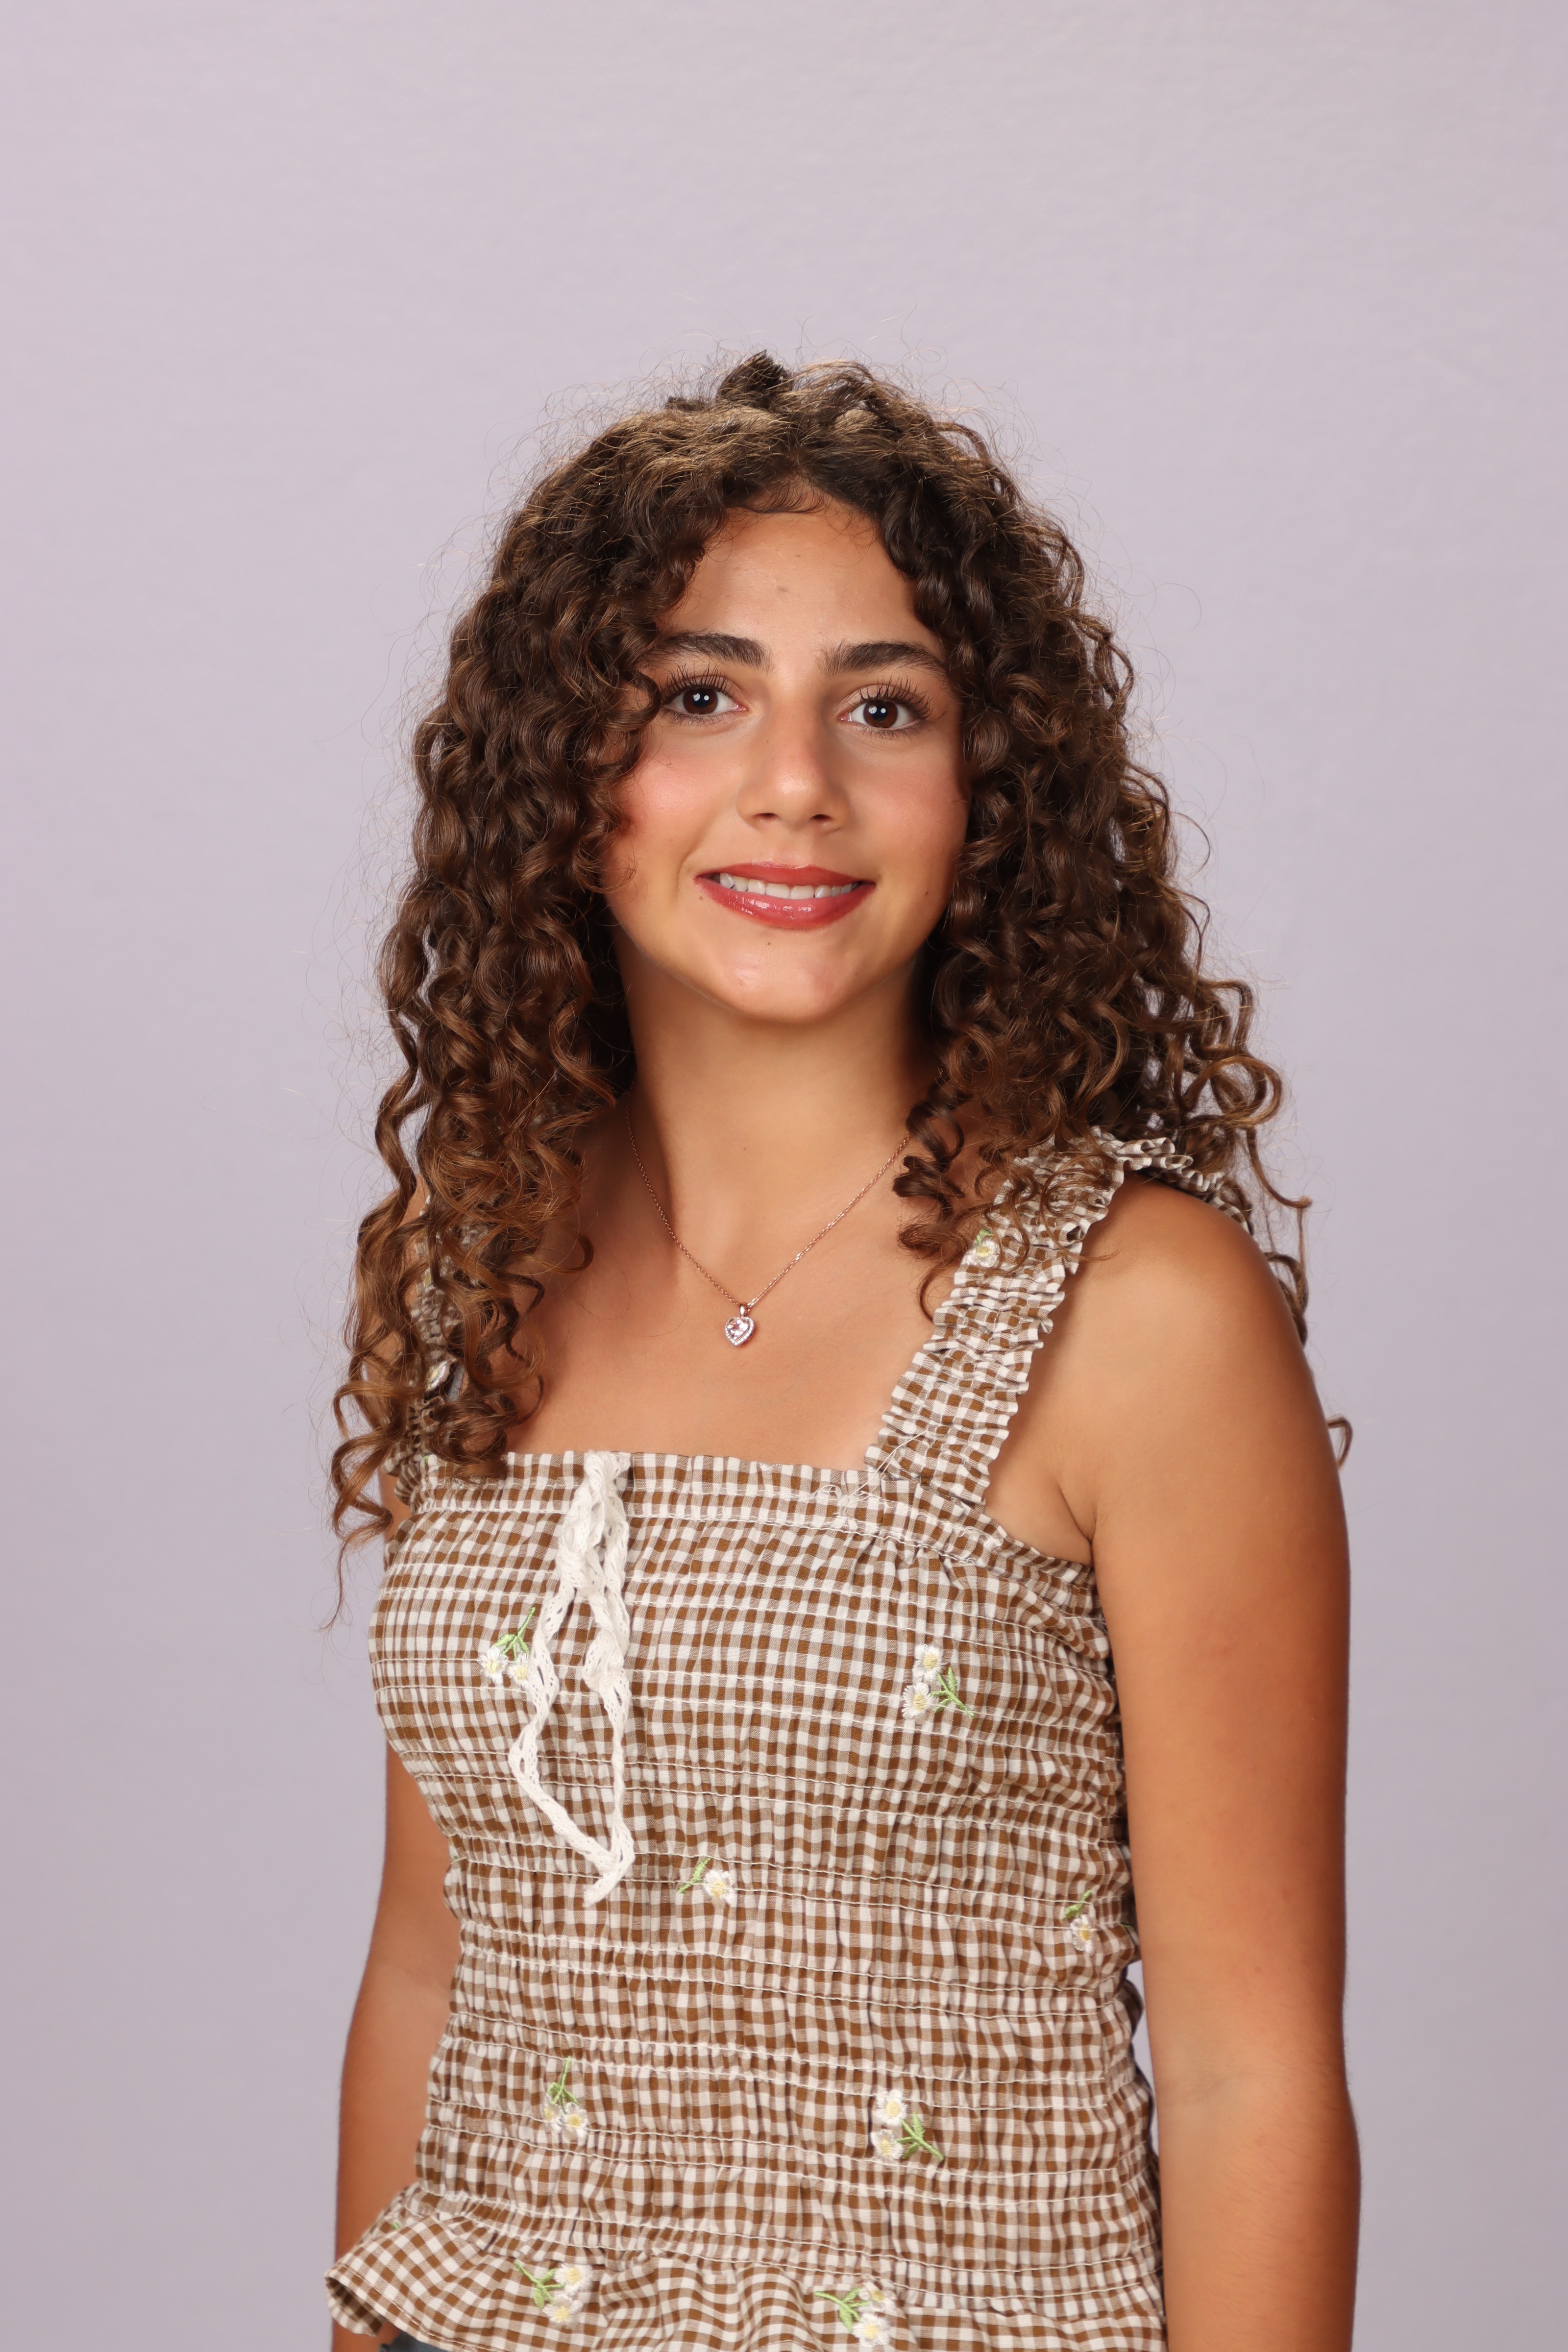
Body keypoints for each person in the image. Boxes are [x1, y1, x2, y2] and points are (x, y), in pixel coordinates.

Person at [326, 355, 1357, 2352]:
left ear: (990, 799)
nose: (794, 781)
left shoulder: (1135, 1315)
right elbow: (429, 1977)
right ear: (566, 777)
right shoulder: (482, 1266)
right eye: (696, 697)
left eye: (885, 708)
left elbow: (1252, 2082)